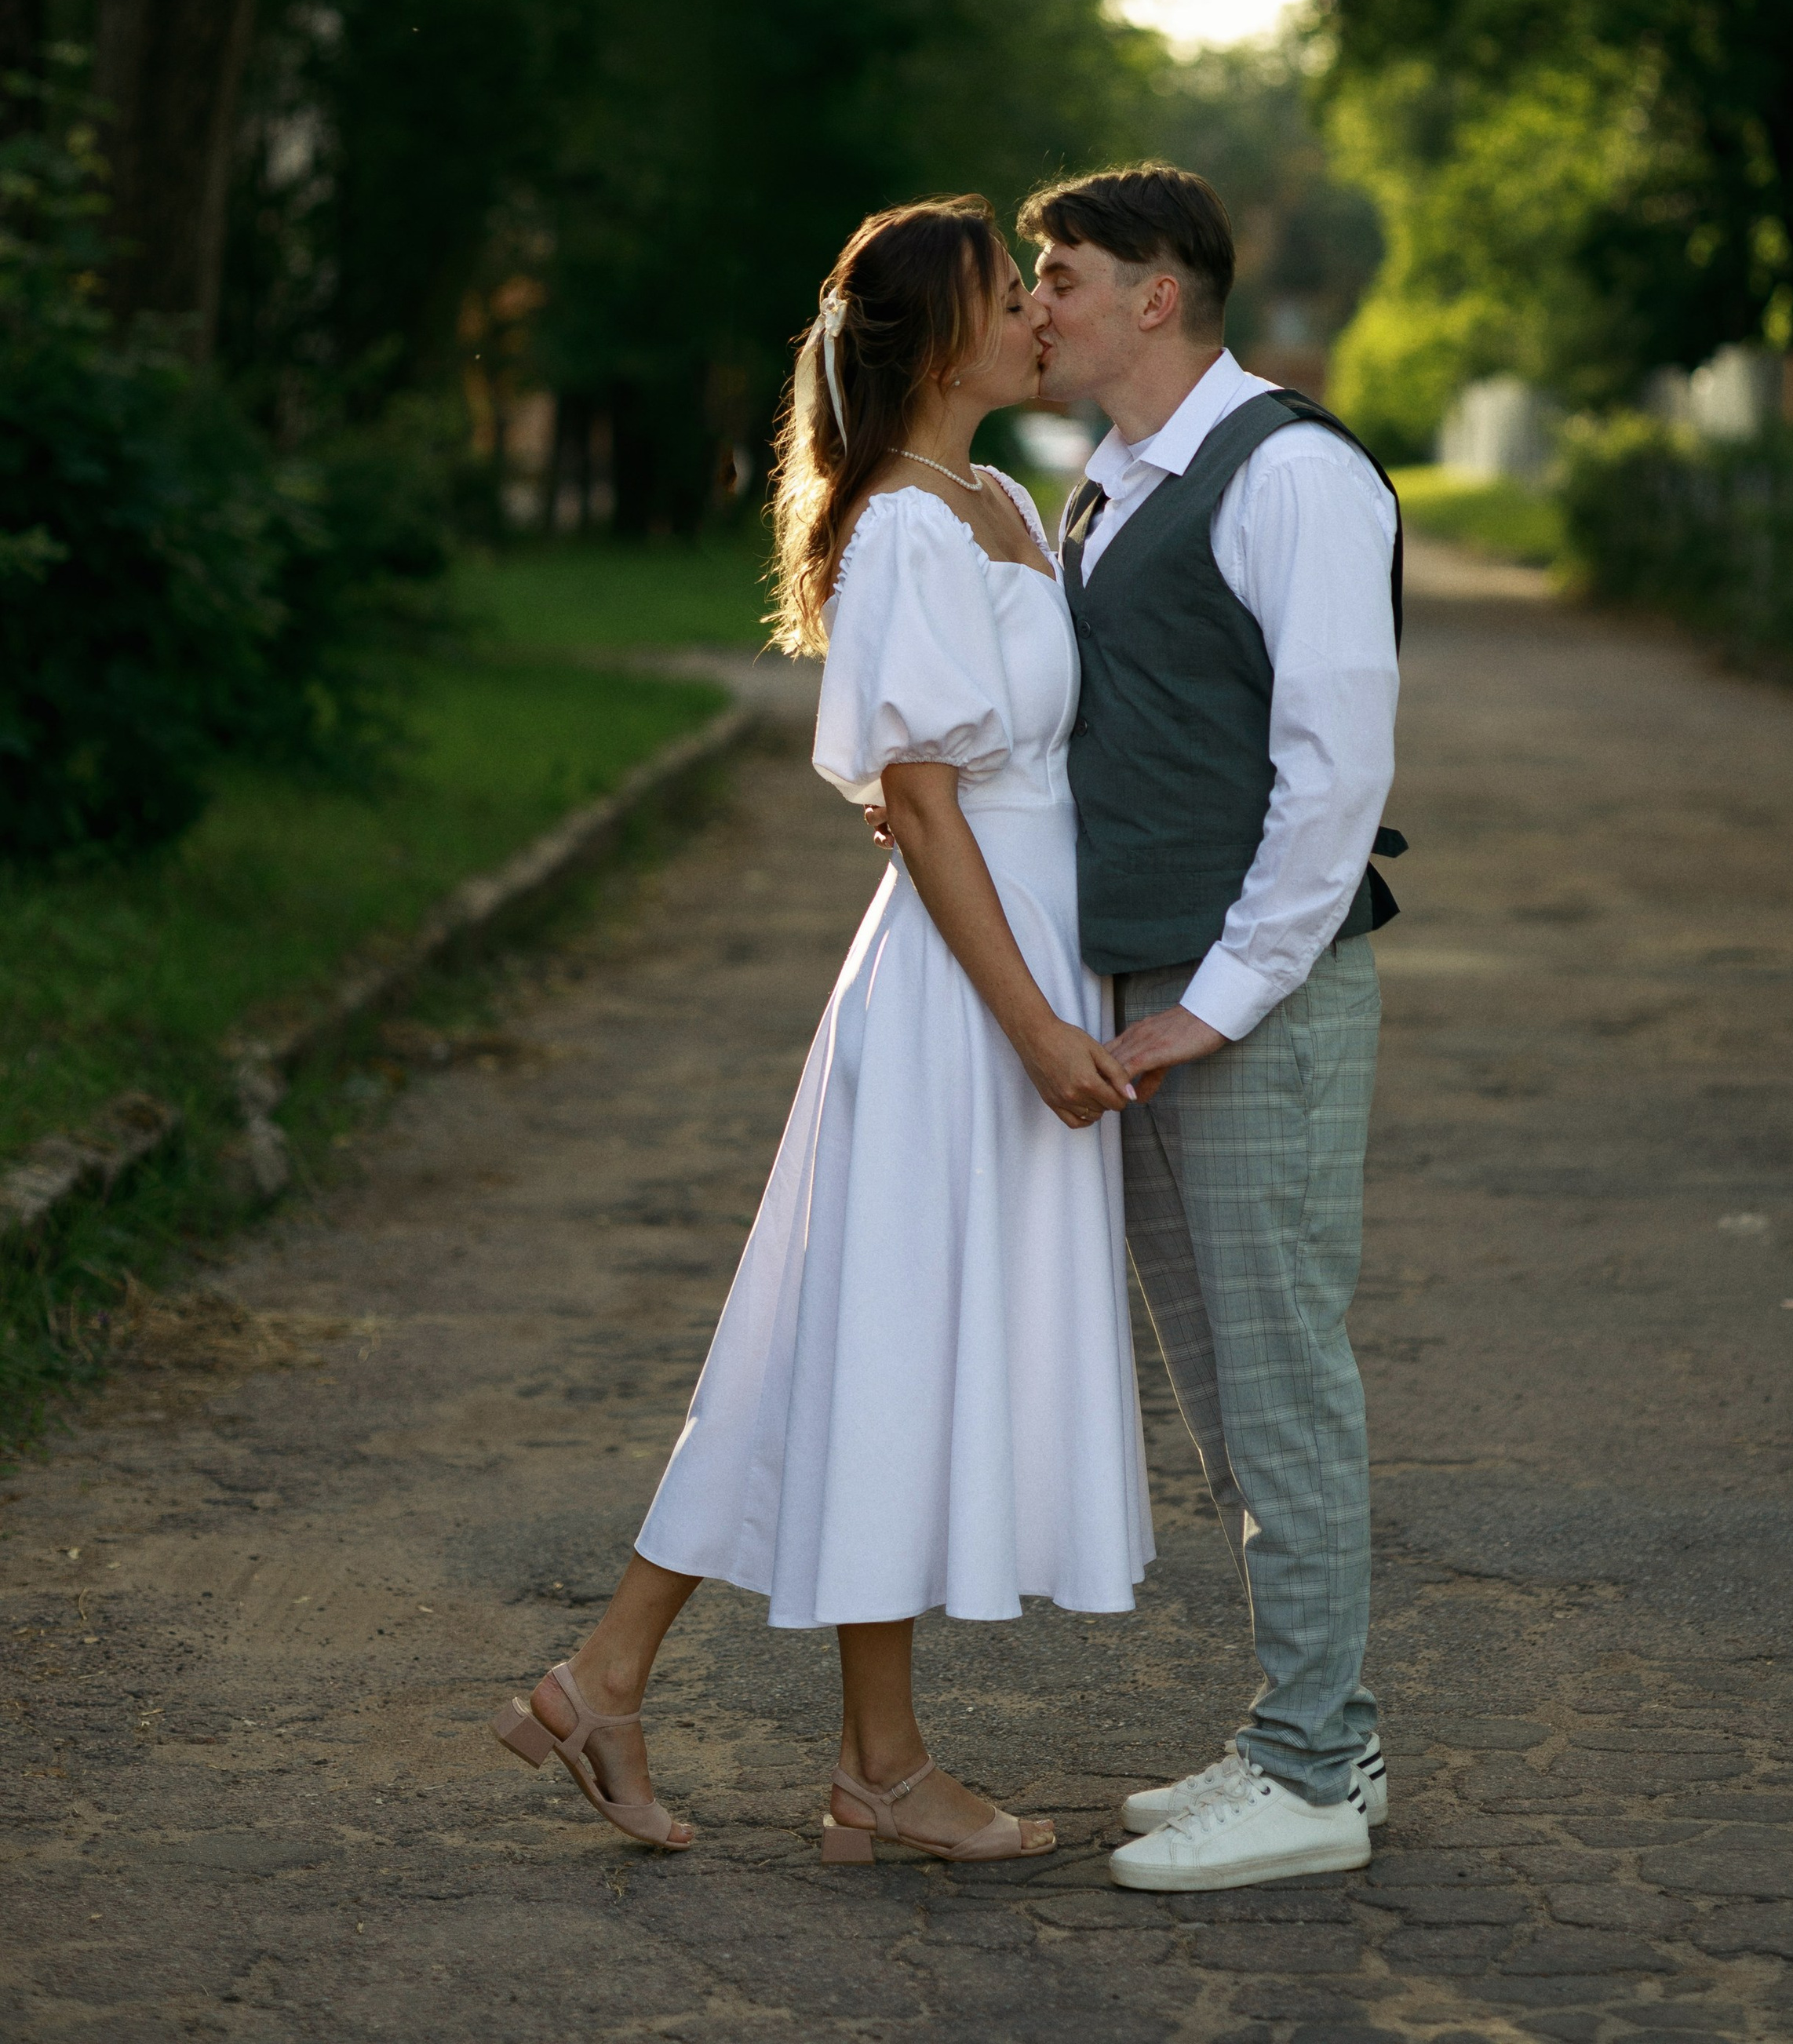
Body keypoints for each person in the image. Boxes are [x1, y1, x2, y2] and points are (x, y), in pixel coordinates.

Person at [491, 195, 1151, 1866]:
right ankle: (851, 1756)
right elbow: (922, 807)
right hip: (957, 991)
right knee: (878, 1339)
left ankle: (627, 1683)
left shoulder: (1000, 495)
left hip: (1023, 960)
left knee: (860, 1342)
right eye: (1013, 294)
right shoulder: (898, 531)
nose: (1038, 316)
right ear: (942, 337)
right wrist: (1030, 1029)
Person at [1021, 163, 1402, 1896]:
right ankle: (1305, 1727)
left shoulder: (1292, 473)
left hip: (1246, 1001)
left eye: (1062, 274)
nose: (1039, 302)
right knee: (1225, 1393)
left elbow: (1334, 777)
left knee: (1281, 1382)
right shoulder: (1105, 479)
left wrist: (1209, 1009)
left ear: (1154, 293)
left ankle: (1315, 1769)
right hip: (1145, 999)